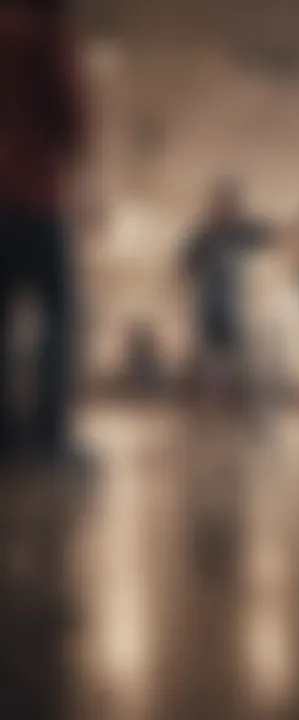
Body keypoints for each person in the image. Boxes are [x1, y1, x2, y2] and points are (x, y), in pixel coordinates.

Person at [0, 0, 86, 463]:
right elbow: (71, 118)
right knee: (59, 312)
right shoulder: (43, 28)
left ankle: (4, 436)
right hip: (32, 193)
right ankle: (48, 438)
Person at [182, 179, 266, 397]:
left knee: (237, 365)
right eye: (221, 205)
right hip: (210, 312)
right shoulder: (203, 238)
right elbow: (185, 265)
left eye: (230, 206)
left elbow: (269, 237)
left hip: (238, 313)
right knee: (210, 364)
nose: (225, 211)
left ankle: (233, 400)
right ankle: (210, 400)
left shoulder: (246, 233)